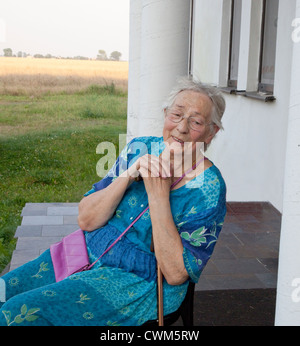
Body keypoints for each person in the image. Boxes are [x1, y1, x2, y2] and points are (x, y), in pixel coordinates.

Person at [0, 77, 226, 326]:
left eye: (195, 122)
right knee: (3, 291)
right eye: (176, 114)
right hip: (85, 249)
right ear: (165, 115)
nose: (181, 128)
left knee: (18, 314)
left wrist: (158, 195)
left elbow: (175, 273)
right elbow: (86, 220)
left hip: (137, 280)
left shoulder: (209, 187)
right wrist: (128, 175)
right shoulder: (140, 147)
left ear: (211, 132)